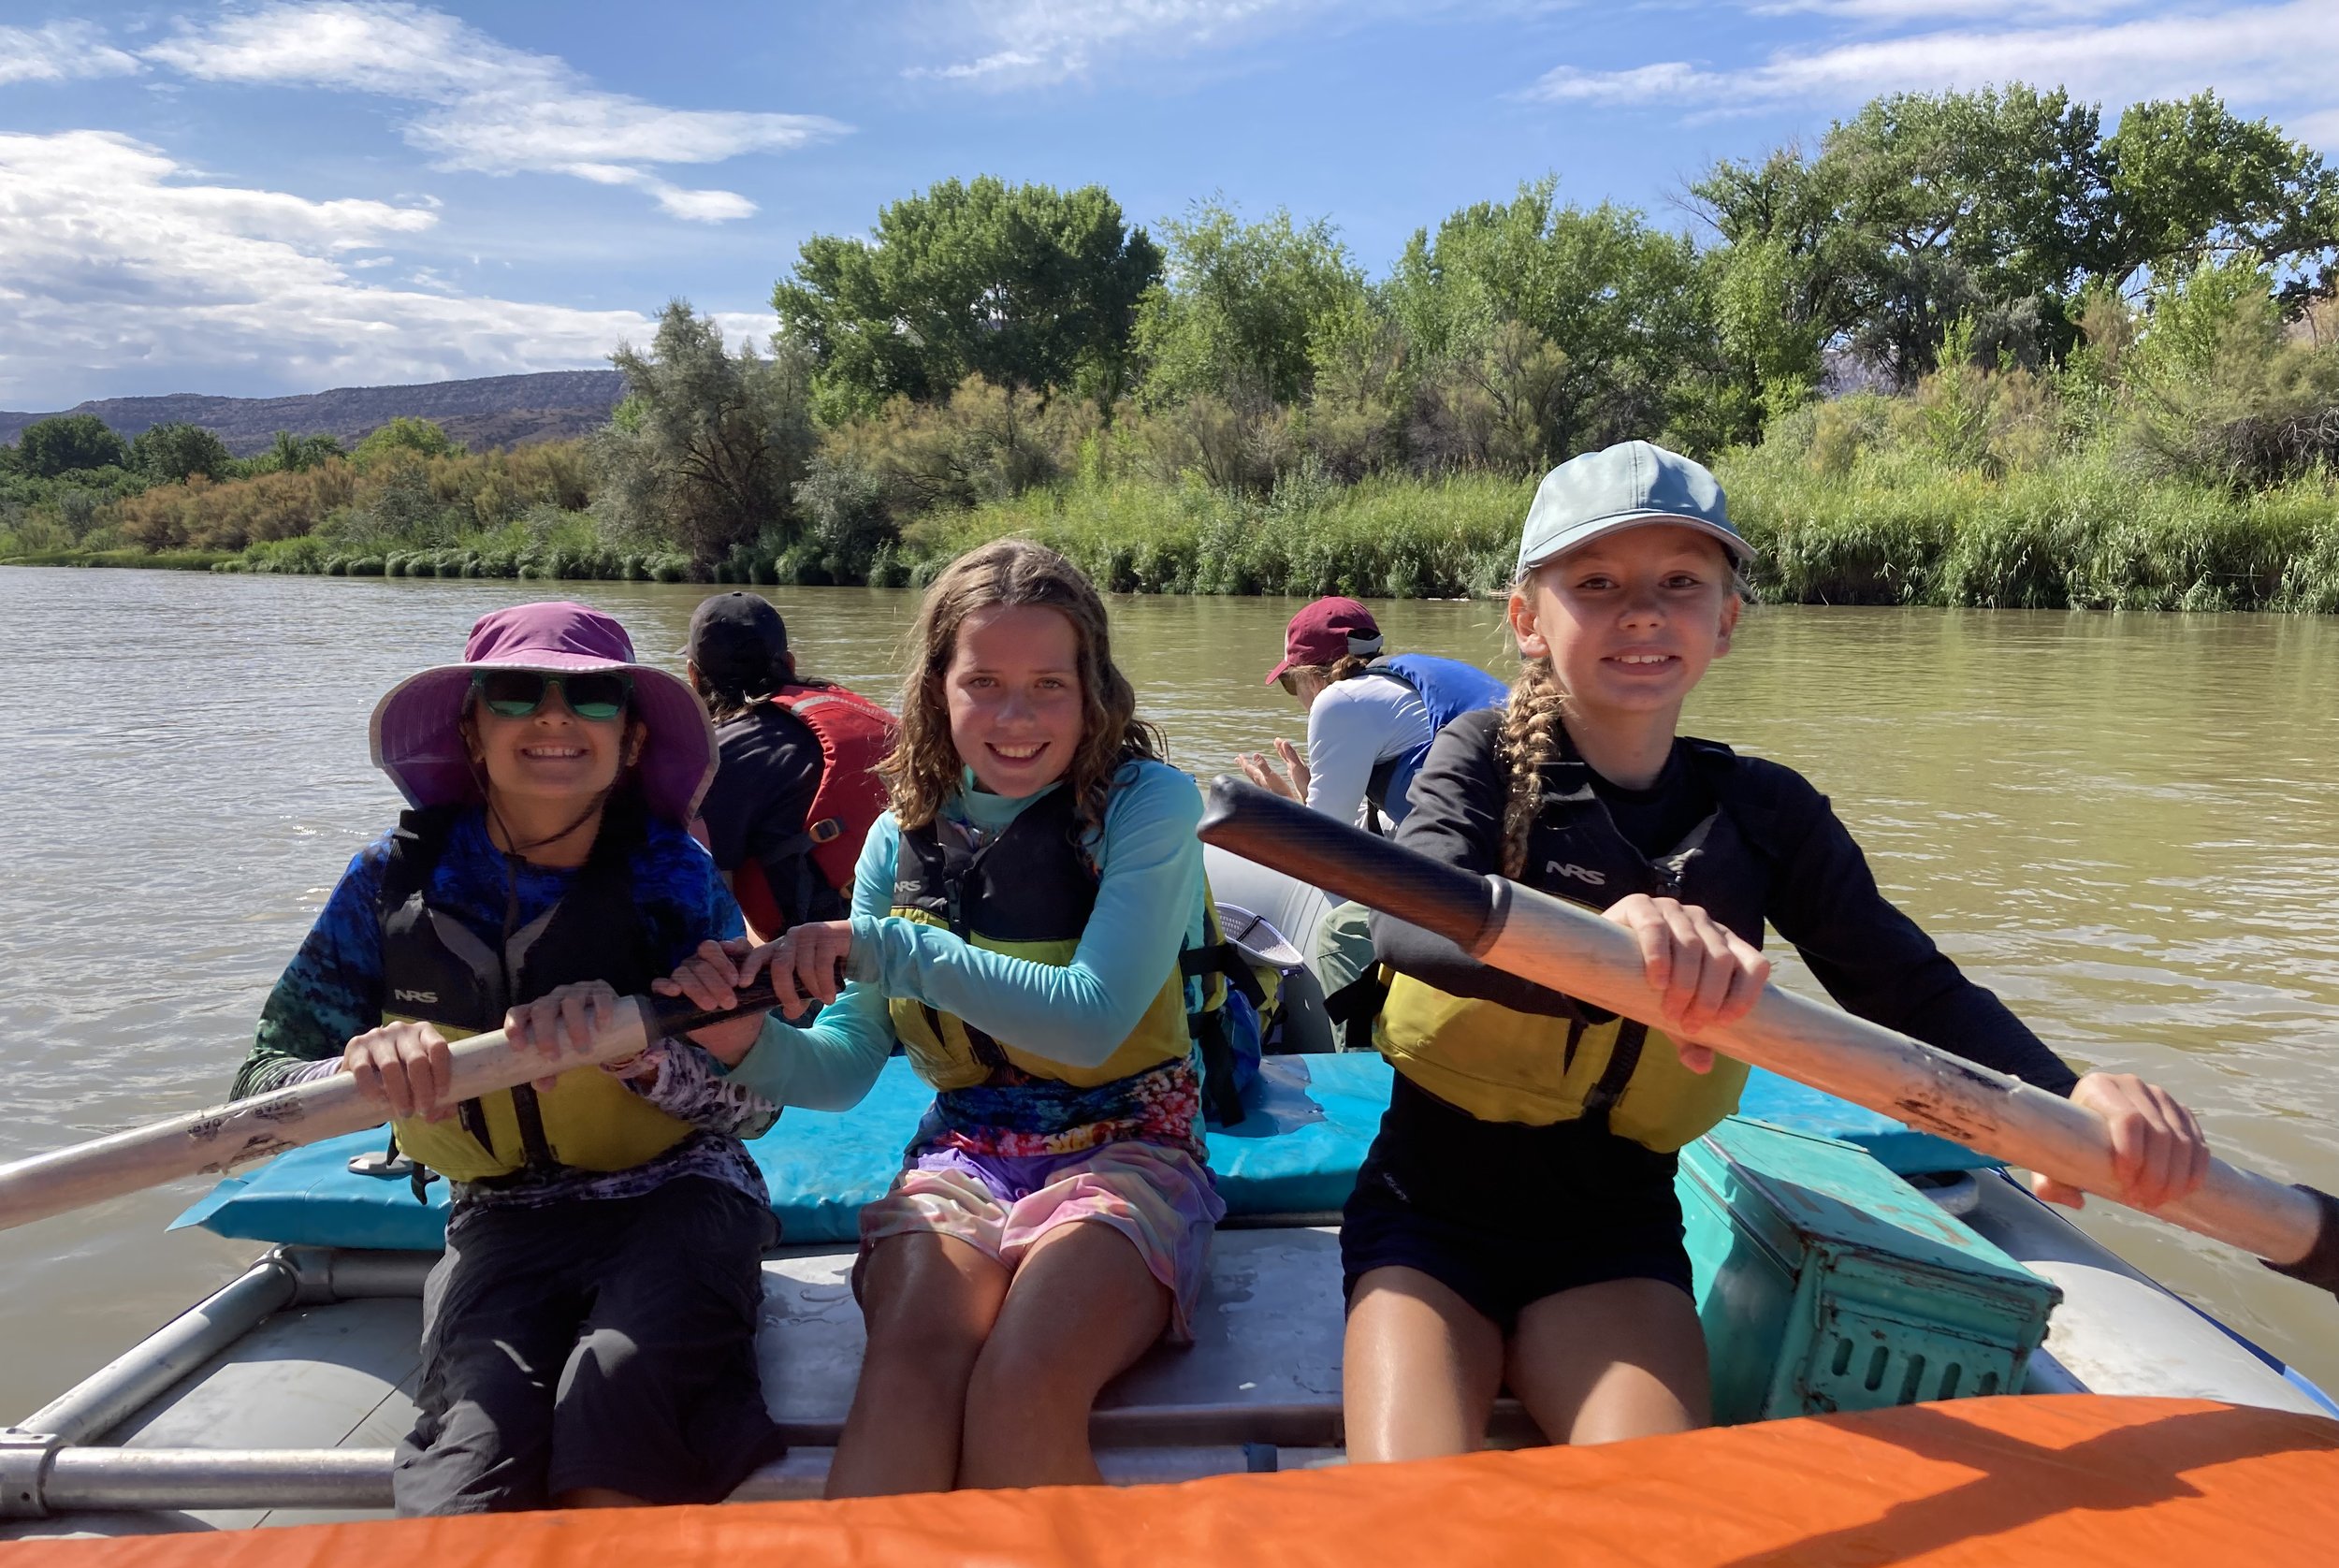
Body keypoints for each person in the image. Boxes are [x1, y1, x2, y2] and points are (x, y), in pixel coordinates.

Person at [1341, 440, 2213, 1463]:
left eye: (1679, 583)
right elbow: (1409, 923)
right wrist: (1605, 945)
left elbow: (1904, 984)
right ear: (1529, 621)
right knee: (1415, 1519)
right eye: (1596, 584)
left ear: (1726, 621)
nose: (1641, 612)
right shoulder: (1477, 758)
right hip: (1426, 1223)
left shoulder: (1768, 813)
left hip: (1611, 1243)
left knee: (1661, 1522)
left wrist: (2070, 1100)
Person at [665, 538, 1226, 1497]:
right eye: (984, 683)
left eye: (1050, 684)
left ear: (1094, 688)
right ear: (937, 688)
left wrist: (884, 945)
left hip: (1134, 1148)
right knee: (908, 1371)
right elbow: (844, 1068)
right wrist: (744, 1042)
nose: (1016, 717)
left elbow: (1091, 1024)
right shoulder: (897, 834)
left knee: (1018, 1380)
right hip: (963, 1156)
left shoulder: (1147, 806)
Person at [231, 601, 786, 1516]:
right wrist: (355, 1073)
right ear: (472, 730)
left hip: (679, 1192)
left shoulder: (672, 878)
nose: (555, 718)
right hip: (496, 1218)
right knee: (466, 1468)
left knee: (618, 1397)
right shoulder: (385, 883)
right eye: (518, 693)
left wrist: (635, 1059)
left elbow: (758, 1104)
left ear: (633, 740)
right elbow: (259, 1082)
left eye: (591, 700)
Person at [1238, 597, 1506, 1046]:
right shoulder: (1405, 685)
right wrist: (1309, 801)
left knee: (1339, 934)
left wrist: (1283, 808)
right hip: (1521, 850)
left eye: (1291, 685)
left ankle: (1363, 1079)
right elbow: (1401, 826)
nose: (1300, 701)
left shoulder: (1340, 701)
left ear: (1314, 675)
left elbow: (1323, 850)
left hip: (1490, 874)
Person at [686, 590, 895, 942]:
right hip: (913, 925)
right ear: (791, 664)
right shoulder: (851, 708)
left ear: (693, 676)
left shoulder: (716, 756)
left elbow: (708, 910)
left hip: (817, 959)